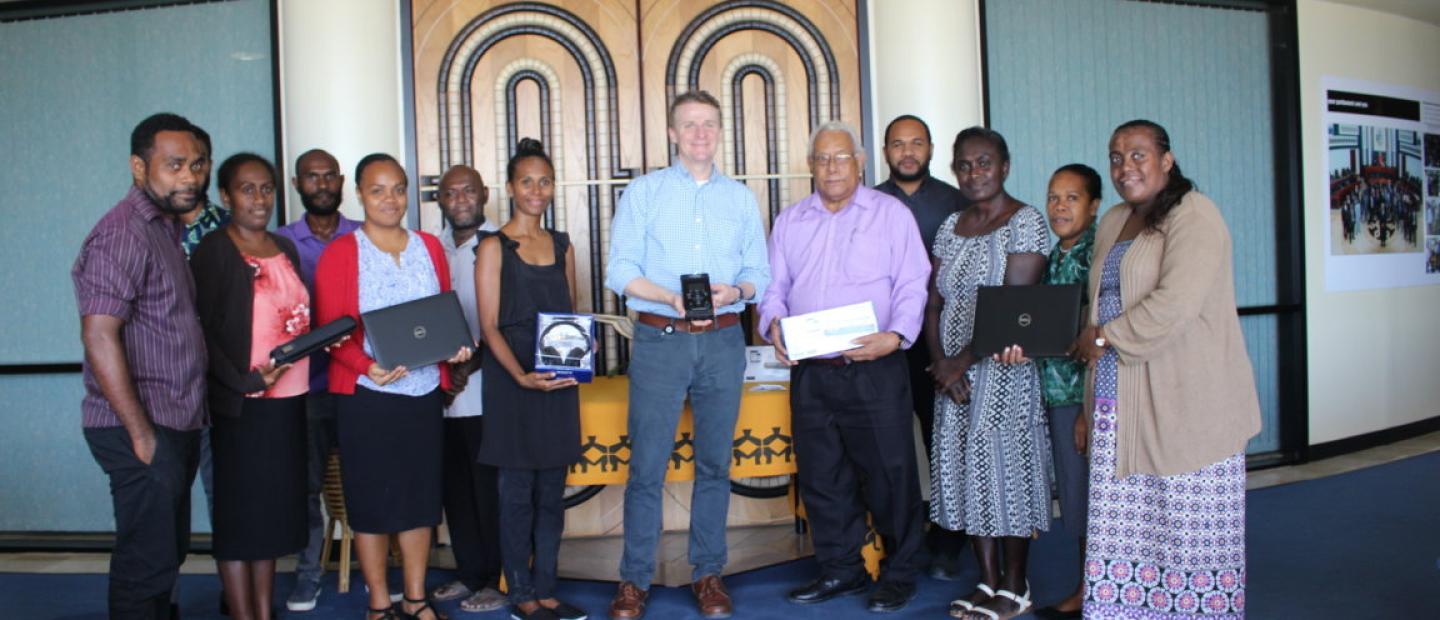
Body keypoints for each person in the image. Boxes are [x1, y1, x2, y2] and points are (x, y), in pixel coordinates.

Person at [1069, 120, 1259, 619]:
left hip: (1185, 401)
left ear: (1166, 159)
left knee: (1183, 528)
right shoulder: (1112, 220)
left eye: (1137, 155)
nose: (1124, 167)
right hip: (1116, 402)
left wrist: (1106, 337)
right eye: (1115, 157)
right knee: (1126, 531)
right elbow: (1097, 307)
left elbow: (1175, 305)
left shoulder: (1195, 215)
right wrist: (1089, 408)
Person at [603, 90, 770, 620]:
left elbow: (758, 274)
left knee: (715, 464)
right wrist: (670, 296)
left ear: (720, 131)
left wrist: (736, 292)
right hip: (660, 339)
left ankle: (708, 573)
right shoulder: (644, 193)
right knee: (647, 466)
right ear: (672, 134)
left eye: (709, 124)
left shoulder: (741, 198)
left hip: (723, 339)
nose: (701, 133)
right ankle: (634, 581)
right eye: (690, 125)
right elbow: (618, 270)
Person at [761, 121, 932, 613]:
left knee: (889, 472)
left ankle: (900, 573)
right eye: (821, 158)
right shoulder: (790, 221)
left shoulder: (890, 215)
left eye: (841, 158)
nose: (831, 167)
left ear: (860, 163)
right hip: (812, 370)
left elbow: (913, 282)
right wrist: (773, 324)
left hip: (874, 365)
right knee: (822, 475)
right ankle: (841, 570)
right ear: (810, 165)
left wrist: (896, 336)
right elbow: (774, 289)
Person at [314, 153, 473, 620]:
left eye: (398, 188)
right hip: (367, 398)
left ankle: (417, 597)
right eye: (378, 189)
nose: (389, 198)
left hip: (422, 395)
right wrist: (366, 366)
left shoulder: (428, 246)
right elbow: (329, 332)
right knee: (371, 502)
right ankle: (380, 604)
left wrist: (454, 348)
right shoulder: (342, 253)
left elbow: (442, 317)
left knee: (420, 500)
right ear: (359, 194)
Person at [72, 112, 208, 619]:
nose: (190, 177)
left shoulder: (164, 229)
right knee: (145, 562)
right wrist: (142, 434)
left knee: (164, 556)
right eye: (174, 165)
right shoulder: (123, 233)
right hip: (140, 427)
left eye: (195, 164)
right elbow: (99, 335)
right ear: (138, 167)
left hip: (173, 421)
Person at [926, 127, 1051, 620]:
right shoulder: (949, 226)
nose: (974, 172)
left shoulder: (1026, 222)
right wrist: (941, 365)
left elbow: (1015, 307)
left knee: (1008, 477)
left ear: (1005, 166)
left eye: (984, 162)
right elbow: (932, 302)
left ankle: (1016, 586)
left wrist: (959, 362)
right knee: (968, 474)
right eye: (964, 164)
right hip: (953, 382)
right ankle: (986, 579)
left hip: (1004, 374)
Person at [190, 153, 308, 620]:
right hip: (242, 405)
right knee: (239, 521)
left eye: (266, 189)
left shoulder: (286, 248)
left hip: (288, 401)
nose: (259, 199)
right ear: (225, 196)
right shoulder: (216, 251)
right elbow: (199, 332)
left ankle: (263, 610)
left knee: (271, 518)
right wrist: (244, 381)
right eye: (246, 189)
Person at [475, 139, 586, 620]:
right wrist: (521, 376)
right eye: (527, 181)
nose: (536, 190)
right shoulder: (492, 246)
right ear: (510, 188)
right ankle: (520, 591)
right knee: (516, 494)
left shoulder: (563, 245)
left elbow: (573, 314)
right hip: (512, 382)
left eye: (544, 181)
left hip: (558, 382)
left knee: (551, 496)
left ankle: (547, 590)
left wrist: (585, 347)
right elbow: (488, 326)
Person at [872, 113, 967, 578]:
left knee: (941, 437)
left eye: (916, 143)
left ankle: (950, 538)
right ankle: (898, 537)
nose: (907, 152)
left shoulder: (958, 201)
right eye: (897, 144)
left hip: (941, 342)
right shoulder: (866, 202)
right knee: (889, 443)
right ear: (885, 150)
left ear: (931, 149)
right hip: (885, 341)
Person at [276, 148, 362, 612]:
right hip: (304, 389)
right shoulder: (279, 243)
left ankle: (374, 574)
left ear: (342, 181)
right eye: (312, 177)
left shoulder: (364, 236)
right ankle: (308, 576)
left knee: (365, 481)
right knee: (305, 487)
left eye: (330, 176)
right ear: (297, 184)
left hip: (360, 383)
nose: (322, 184)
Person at [429, 164, 506, 613]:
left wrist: (469, 367)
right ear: (440, 199)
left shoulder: (501, 245)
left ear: (484, 195)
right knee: (454, 489)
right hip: (438, 391)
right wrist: (444, 373)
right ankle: (469, 573)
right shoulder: (427, 248)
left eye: (468, 191)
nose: (460, 199)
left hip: (487, 391)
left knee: (488, 489)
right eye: (450, 192)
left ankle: (496, 578)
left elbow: (509, 322)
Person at [1031, 164, 1101, 620]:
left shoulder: (1099, 257)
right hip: (1053, 396)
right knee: (1074, 499)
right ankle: (1089, 587)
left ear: (1094, 207)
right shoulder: (1053, 257)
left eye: (1072, 198)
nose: (1059, 206)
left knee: (1092, 499)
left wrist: (1087, 412)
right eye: (1054, 197)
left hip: (1085, 400)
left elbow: (1099, 339)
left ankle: (1093, 592)